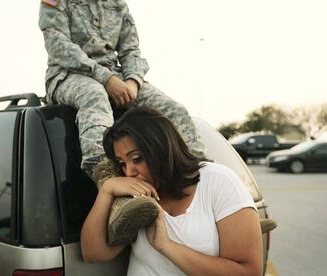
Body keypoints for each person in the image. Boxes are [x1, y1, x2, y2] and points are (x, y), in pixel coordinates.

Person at [38, 0, 205, 245]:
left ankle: (210, 202)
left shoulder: (117, 4)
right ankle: (116, 199)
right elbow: (58, 46)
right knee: (95, 97)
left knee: (175, 110)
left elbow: (131, 50)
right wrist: (105, 78)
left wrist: (133, 82)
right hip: (69, 75)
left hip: (119, 77)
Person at [81, 107, 263, 276]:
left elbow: (248, 272)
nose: (129, 172)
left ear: (162, 148)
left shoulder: (218, 182)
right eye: (122, 163)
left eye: (136, 159)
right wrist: (106, 190)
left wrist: (166, 246)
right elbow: (93, 254)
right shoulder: (135, 197)